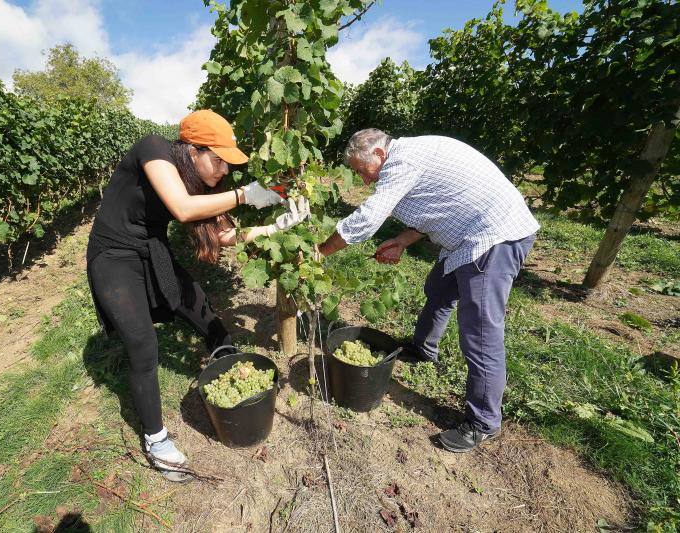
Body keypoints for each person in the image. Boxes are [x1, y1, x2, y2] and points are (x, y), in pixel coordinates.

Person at [86, 109, 309, 481]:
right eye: (220, 161)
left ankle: (227, 363)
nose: (224, 172)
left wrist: (278, 224)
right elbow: (181, 208)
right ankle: (156, 440)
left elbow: (224, 237)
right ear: (194, 151)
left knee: (200, 308)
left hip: (150, 246)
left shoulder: (201, 182)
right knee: (142, 344)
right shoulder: (153, 148)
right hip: (113, 254)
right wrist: (244, 195)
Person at [317, 128, 539, 453]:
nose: (364, 182)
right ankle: (423, 349)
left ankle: (483, 423)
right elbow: (440, 203)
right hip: (466, 233)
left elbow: (369, 216)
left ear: (378, 155)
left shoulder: (401, 162)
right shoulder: (411, 155)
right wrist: (403, 240)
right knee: (438, 289)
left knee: (480, 334)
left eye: (362, 172)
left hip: (493, 238)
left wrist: (320, 252)